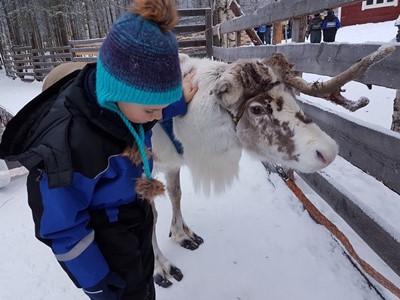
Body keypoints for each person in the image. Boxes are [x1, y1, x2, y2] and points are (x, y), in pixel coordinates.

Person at [0, 0, 198, 299]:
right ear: (117, 93)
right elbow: (62, 226)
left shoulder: (120, 111)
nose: (158, 117)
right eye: (152, 109)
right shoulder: (70, 146)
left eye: (161, 107)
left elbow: (140, 115)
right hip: (105, 245)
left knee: (143, 283)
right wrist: (97, 280)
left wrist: (175, 102)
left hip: (133, 219)